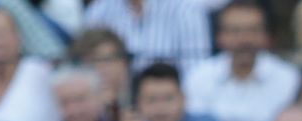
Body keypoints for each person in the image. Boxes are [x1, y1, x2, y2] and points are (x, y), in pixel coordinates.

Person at [184, 0, 300, 121]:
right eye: (235, 31)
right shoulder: (199, 77)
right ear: (220, 37)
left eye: (252, 30)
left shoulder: (288, 79)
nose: (244, 40)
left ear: (265, 36)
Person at [81, 0, 209, 73]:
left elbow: (197, 69)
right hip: (117, 100)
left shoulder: (185, 8)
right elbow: (84, 68)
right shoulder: (99, 10)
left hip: (167, 99)